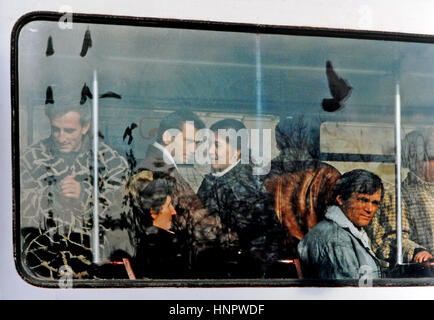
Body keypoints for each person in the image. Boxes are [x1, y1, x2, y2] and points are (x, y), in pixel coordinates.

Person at [20, 98, 130, 280]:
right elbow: (18, 212)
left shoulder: (111, 162)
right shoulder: (31, 159)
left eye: (69, 131)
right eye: (56, 129)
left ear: (85, 127)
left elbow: (121, 213)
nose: (61, 138)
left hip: (96, 271)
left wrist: (85, 196)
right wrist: (52, 196)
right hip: (39, 270)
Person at [133, 110, 222, 276]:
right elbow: (164, 231)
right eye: (190, 141)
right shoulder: (157, 171)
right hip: (165, 271)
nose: (194, 149)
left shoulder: (160, 167)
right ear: (168, 137)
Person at [196, 119, 288, 278]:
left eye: (217, 145)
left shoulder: (244, 189)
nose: (210, 151)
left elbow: (260, 247)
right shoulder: (213, 181)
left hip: (231, 279)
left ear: (237, 151)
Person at [263, 115, 341, 257]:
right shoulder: (328, 175)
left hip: (273, 257)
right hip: (315, 258)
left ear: (279, 142)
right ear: (307, 140)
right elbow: (336, 226)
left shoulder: (265, 175)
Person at [298, 169, 384, 280]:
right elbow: (346, 293)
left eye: (375, 203)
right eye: (363, 200)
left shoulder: (349, 232)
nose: (370, 209)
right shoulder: (335, 239)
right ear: (341, 199)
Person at [368, 128, 434, 270]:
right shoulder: (398, 195)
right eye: (431, 158)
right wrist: (417, 251)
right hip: (421, 275)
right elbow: (391, 239)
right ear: (415, 162)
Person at [124, 169, 190, 278]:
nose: (174, 212)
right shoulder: (161, 250)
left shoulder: (137, 241)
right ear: (153, 212)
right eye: (168, 205)